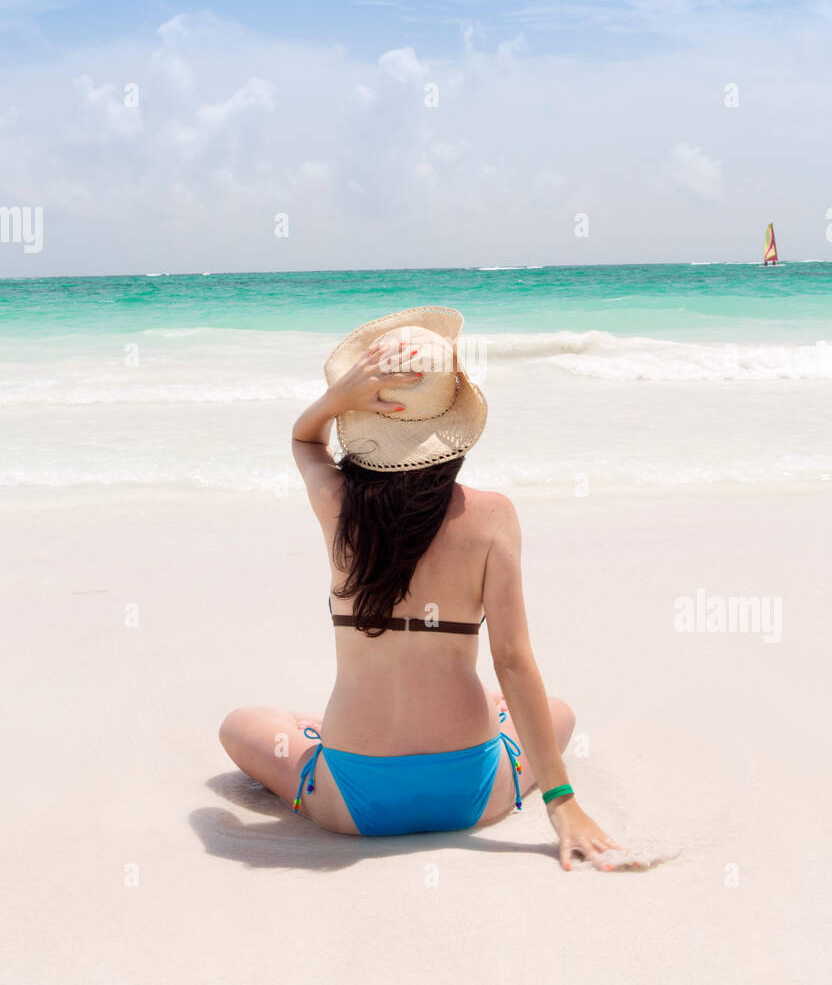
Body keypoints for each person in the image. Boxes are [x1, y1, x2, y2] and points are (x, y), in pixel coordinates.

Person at [219, 306, 620, 871]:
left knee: (240, 724)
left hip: (353, 800)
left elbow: (304, 442)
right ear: (453, 423)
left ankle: (315, 730)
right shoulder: (493, 517)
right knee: (558, 712)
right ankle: (495, 726)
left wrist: (337, 400)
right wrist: (563, 803)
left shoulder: (337, 506)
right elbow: (511, 658)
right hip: (469, 796)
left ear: (362, 424)